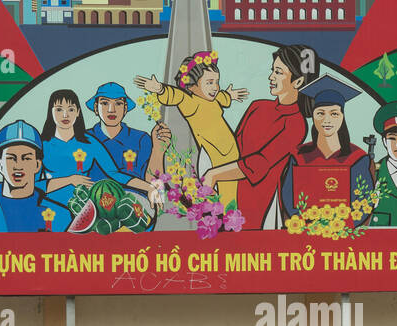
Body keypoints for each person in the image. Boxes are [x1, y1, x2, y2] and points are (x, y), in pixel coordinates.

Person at [202, 44, 316, 230]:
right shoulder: (258, 106)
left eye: (278, 72)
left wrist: (214, 175)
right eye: (272, 70)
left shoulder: (296, 124)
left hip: (258, 200)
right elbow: (233, 147)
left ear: (297, 82)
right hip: (227, 186)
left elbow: (259, 163)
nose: (271, 77)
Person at [134, 51, 248, 209]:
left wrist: (230, 95)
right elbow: (175, 96)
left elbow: (222, 97)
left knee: (235, 195)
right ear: (192, 86)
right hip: (214, 160)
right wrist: (160, 89)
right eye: (209, 82)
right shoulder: (190, 103)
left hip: (230, 155)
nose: (215, 87)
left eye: (217, 81)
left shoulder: (213, 99)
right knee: (224, 201)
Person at [278, 75, 376, 225]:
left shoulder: (357, 159)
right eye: (320, 113)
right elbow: (288, 201)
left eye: (334, 113)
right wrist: (313, 227)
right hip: (305, 236)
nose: (326, 120)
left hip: (345, 237)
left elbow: (363, 204)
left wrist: (336, 227)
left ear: (342, 117)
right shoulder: (298, 157)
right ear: (313, 117)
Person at [87, 81, 170, 182]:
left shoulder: (141, 139)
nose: (111, 110)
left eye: (118, 103)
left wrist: (158, 150)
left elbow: (155, 185)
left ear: (125, 108)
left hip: (135, 197)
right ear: (96, 108)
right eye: (105, 103)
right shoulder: (84, 138)